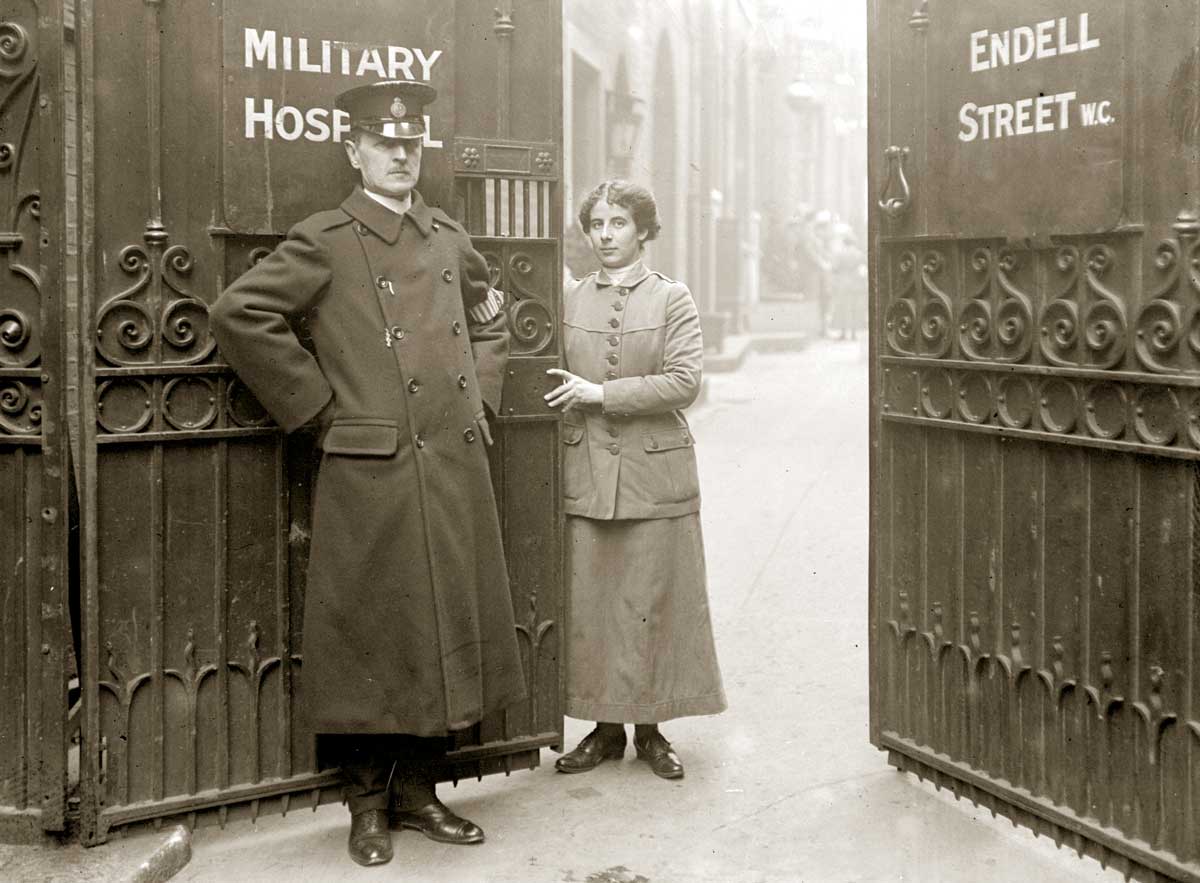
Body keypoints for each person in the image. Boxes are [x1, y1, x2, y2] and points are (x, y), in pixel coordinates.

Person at [210, 80, 525, 868]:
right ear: (354, 151)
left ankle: (419, 790)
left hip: (449, 461)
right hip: (370, 464)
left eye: (410, 145)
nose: (399, 157)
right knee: (371, 632)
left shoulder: (448, 237)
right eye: (384, 146)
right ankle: (365, 806)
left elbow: (493, 316)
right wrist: (317, 406)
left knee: (438, 624)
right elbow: (238, 313)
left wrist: (478, 396)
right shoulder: (327, 237)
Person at [544, 180, 727, 781]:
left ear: (644, 231)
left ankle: (651, 729)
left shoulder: (672, 299)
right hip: (588, 469)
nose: (606, 236)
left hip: (655, 472)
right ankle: (603, 731)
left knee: (650, 601)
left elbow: (684, 382)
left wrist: (601, 394)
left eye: (619, 224)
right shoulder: (568, 298)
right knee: (593, 601)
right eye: (597, 224)